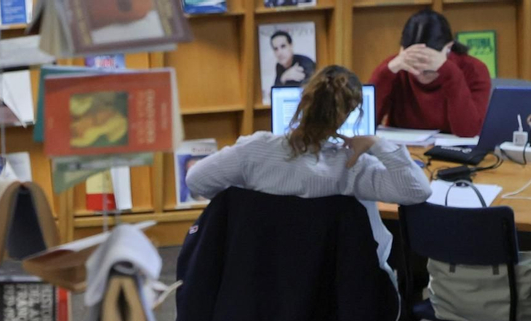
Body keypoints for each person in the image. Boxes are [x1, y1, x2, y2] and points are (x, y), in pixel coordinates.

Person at [184, 64, 430, 282]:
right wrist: (377, 143)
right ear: (351, 112)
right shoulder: (353, 165)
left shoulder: (254, 150)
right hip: (337, 285)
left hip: (264, 276)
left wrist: (241, 200)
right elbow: (417, 190)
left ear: (303, 101)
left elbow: (196, 181)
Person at [368, 11, 491, 137]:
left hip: (451, 153)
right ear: (402, 50)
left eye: (429, 68)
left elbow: (468, 131)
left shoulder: (473, 69)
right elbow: (364, 124)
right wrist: (387, 72)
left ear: (448, 48)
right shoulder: (394, 68)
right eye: (414, 66)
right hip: (401, 151)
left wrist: (450, 73)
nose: (420, 73)